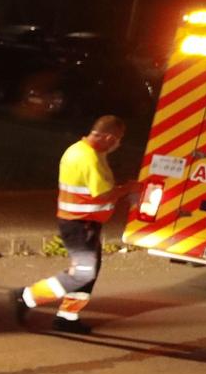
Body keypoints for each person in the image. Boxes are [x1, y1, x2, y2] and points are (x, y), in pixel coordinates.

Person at [15, 115, 128, 335]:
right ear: (107, 137)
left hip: (83, 223)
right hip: (79, 224)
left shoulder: (81, 150)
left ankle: (68, 316)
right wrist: (129, 188)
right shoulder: (89, 158)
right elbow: (104, 194)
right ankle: (27, 297)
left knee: (89, 271)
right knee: (84, 272)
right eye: (117, 139)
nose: (118, 144)